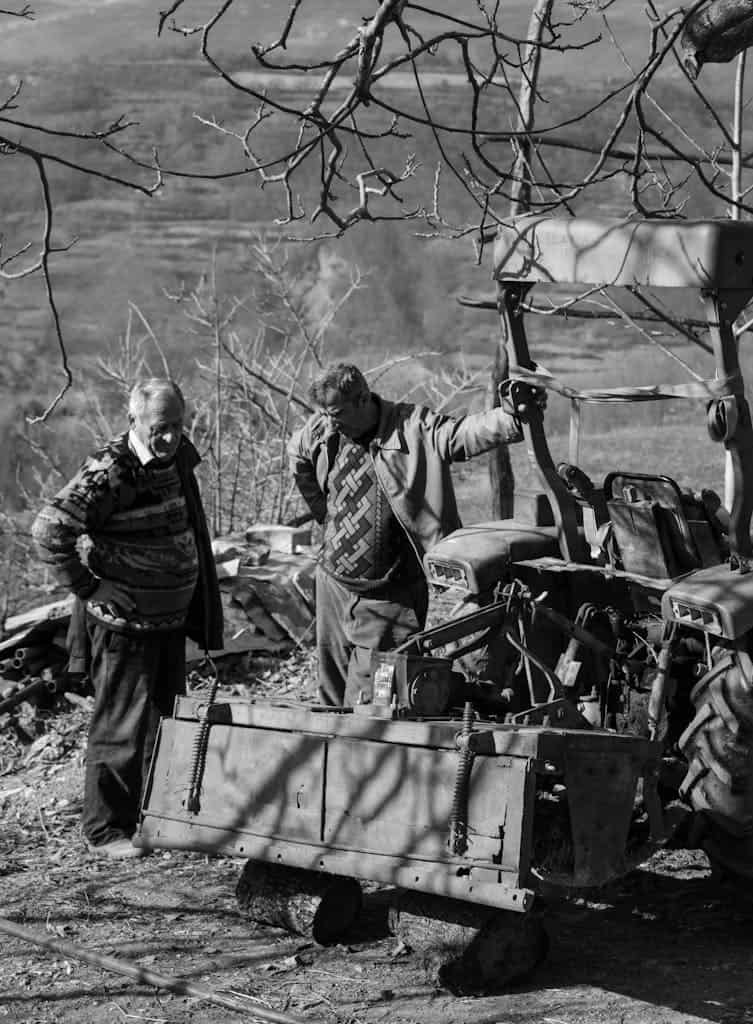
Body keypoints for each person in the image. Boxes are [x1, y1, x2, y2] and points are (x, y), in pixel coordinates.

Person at [32, 379, 223, 859]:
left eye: (178, 426)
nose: (171, 437)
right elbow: (49, 529)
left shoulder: (176, 459)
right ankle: (105, 830)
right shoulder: (110, 470)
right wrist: (91, 586)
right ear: (133, 421)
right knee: (120, 726)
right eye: (160, 428)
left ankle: (154, 815)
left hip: (167, 622)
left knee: (164, 720)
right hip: (123, 626)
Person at [287, 362, 544, 707]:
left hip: (390, 594)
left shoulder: (412, 427)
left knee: (378, 697)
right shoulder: (324, 429)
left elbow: (462, 434)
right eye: (325, 414)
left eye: (336, 413)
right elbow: (297, 453)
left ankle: (370, 758)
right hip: (333, 585)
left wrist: (512, 417)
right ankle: (326, 753)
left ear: (363, 398)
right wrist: (324, 513)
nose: (329, 422)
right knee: (330, 690)